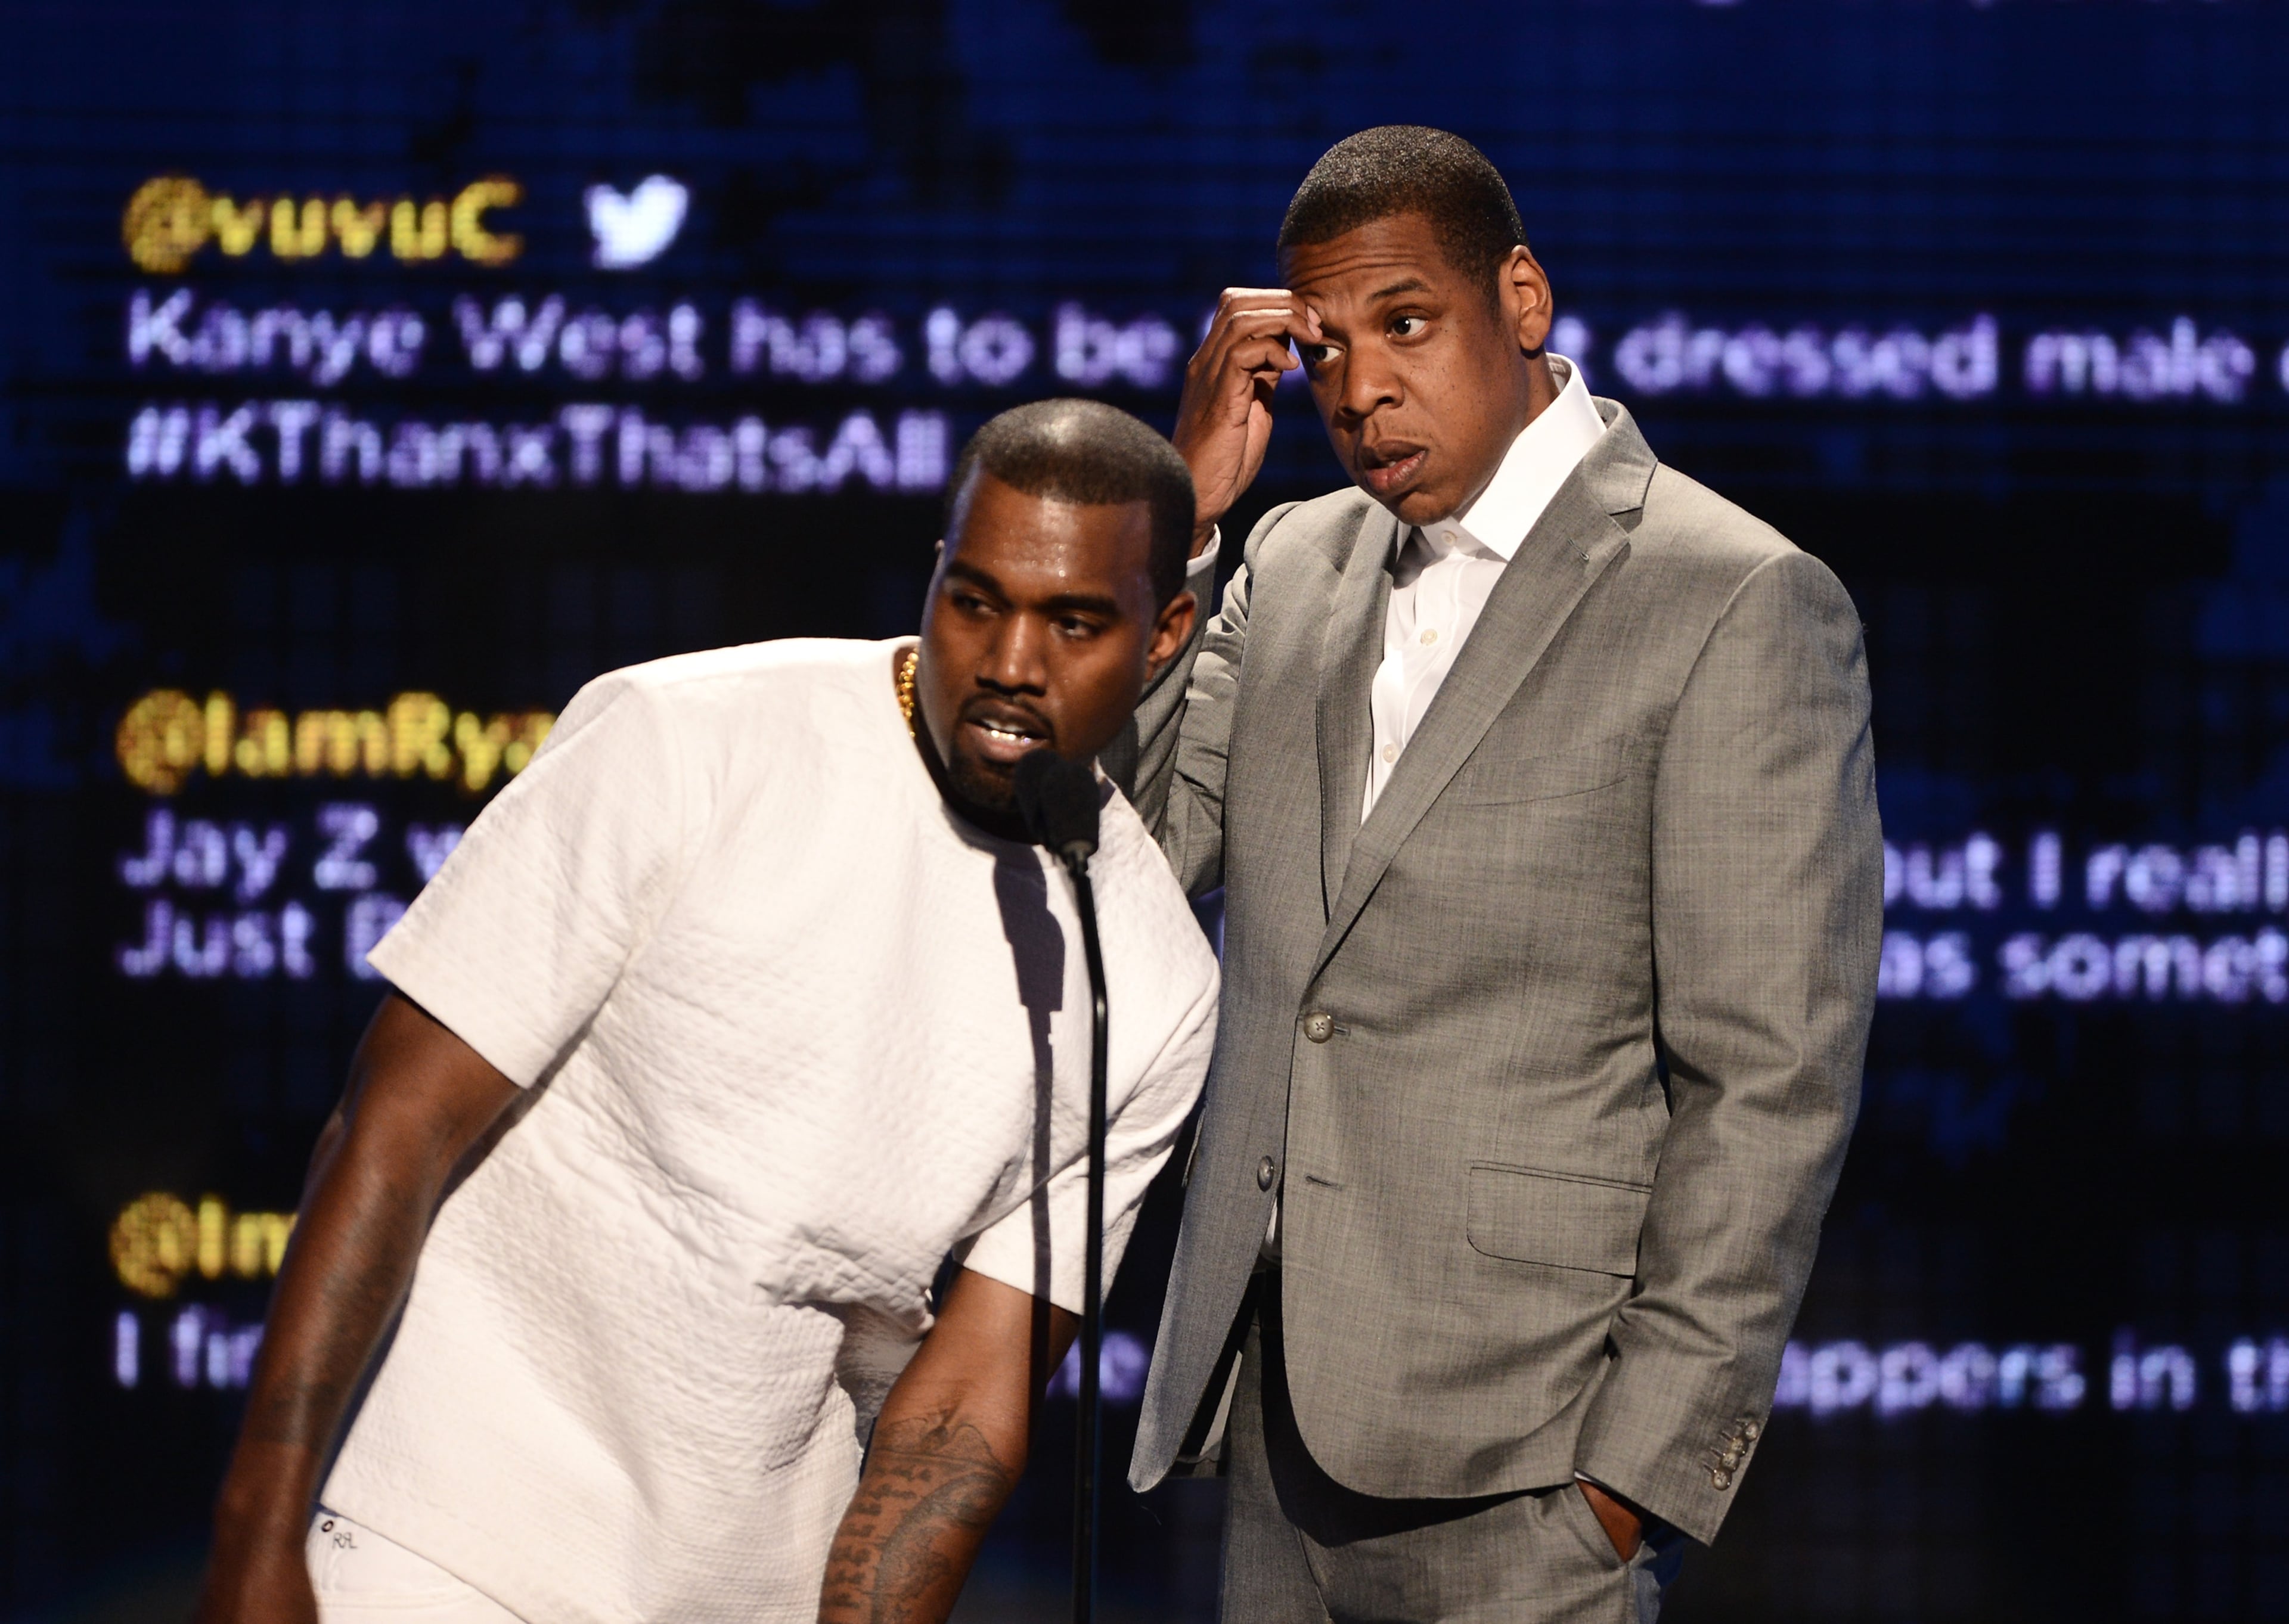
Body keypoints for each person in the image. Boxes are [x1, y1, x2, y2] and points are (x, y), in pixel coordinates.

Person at [193, 399, 1220, 1624]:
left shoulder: (1147, 974)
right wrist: (258, 1530)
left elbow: (961, 1405)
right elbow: (396, 1123)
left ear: (1165, 635)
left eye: (1074, 622)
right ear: (935, 572)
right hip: (444, 1539)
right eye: (976, 598)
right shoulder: (689, 740)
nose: (1008, 661)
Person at [1111, 126, 1884, 1620]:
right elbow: (1127, 866)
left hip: (1532, 1468)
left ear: (1522, 300)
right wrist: (1183, 520)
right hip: (1274, 1432)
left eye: (1407, 324)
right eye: (1322, 350)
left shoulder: (1734, 598)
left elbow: (1771, 1081)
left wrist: (1629, 1479)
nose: (1360, 389)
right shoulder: (1286, 562)